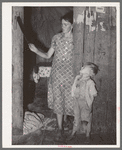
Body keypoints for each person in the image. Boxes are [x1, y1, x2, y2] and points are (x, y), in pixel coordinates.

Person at [28, 11, 74, 141]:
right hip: (57, 74)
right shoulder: (56, 38)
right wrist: (36, 50)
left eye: (66, 24)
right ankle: (60, 129)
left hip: (71, 75)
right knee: (58, 101)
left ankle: (66, 120)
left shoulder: (76, 40)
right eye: (62, 24)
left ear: (72, 25)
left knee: (69, 99)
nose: (63, 26)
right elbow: (48, 55)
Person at [67, 62, 99, 142]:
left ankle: (87, 135)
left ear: (91, 73)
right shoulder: (77, 80)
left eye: (84, 68)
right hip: (77, 102)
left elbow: (94, 94)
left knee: (86, 121)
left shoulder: (90, 83)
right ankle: (73, 133)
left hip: (85, 104)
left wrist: (89, 101)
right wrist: (75, 80)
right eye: (82, 68)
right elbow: (72, 91)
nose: (81, 68)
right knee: (76, 118)